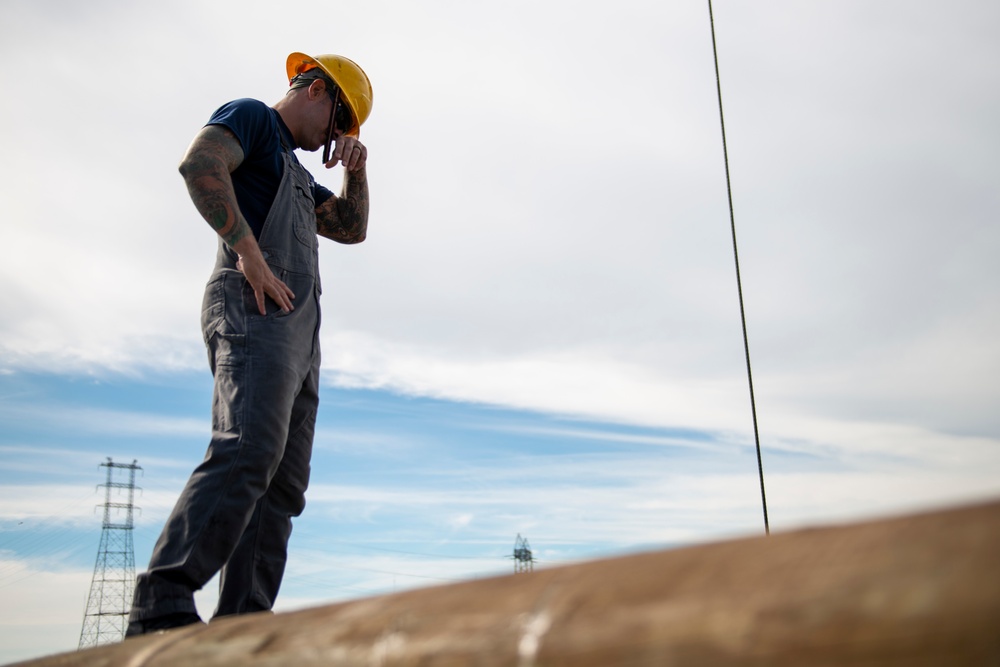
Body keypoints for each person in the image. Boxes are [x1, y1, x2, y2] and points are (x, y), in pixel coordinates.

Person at [126, 52, 373, 636]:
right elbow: (201, 164)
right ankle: (161, 601)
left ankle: (243, 622)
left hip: (298, 333)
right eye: (339, 122)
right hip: (253, 306)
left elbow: (351, 228)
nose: (334, 137)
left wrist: (356, 169)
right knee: (249, 446)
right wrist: (249, 252)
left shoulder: (296, 173)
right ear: (315, 90)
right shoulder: (255, 121)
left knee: (284, 483)